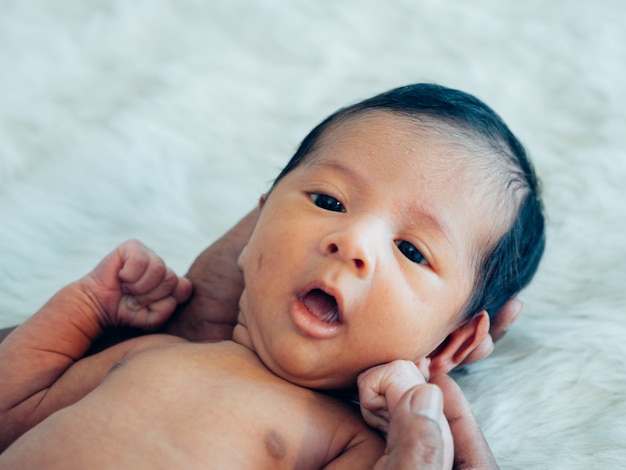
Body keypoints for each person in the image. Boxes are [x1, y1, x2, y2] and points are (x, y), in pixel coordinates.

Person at [0, 83, 544, 468]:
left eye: (411, 249)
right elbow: (12, 412)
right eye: (329, 199)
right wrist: (86, 306)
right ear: (254, 226)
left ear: (453, 340)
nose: (352, 241)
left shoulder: (351, 442)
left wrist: (413, 445)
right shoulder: (148, 353)